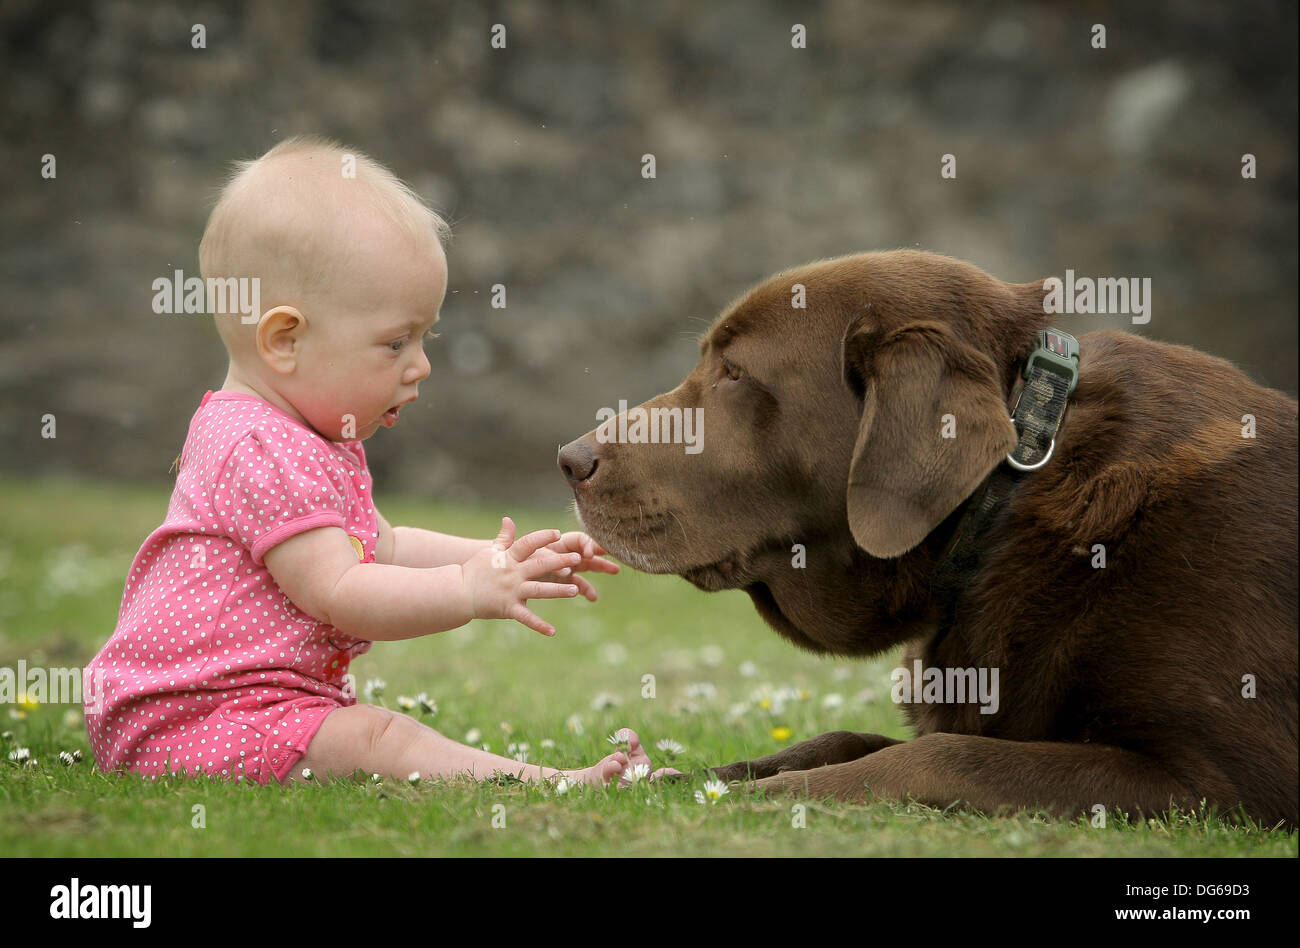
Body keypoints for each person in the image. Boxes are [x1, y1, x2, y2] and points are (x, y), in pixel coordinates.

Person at [85, 136, 661, 788]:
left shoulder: (310, 437)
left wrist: (499, 560)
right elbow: (341, 592)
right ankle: (549, 782)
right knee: (378, 737)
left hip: (250, 705)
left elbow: (380, 546)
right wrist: (468, 590)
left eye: (426, 336)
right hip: (189, 717)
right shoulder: (258, 448)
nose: (422, 366)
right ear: (285, 340)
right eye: (395, 343)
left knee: (370, 733)